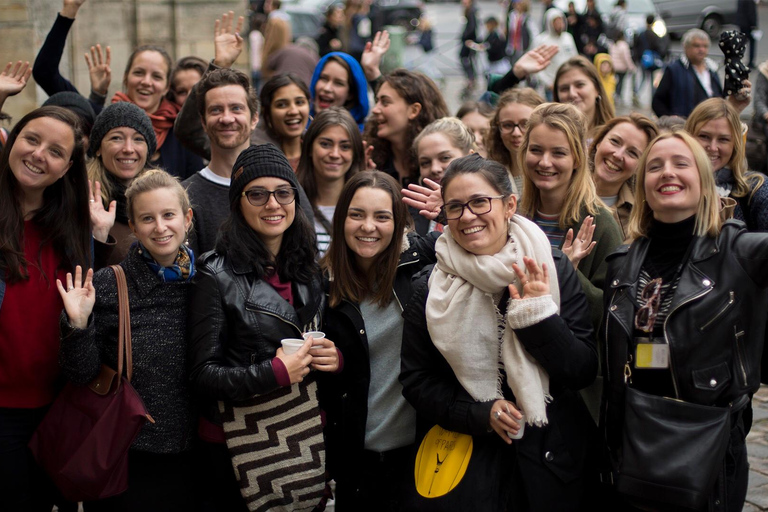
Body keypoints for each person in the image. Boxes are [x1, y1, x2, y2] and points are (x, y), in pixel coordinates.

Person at [399, 153, 598, 511]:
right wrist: (481, 413)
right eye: (455, 207)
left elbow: (581, 369)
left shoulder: (549, 267)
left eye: (479, 202)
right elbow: (417, 381)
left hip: (549, 464)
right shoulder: (429, 287)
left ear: (509, 205)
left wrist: (540, 317)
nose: (468, 216)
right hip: (467, 470)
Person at [601, 130, 768, 511]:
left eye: (681, 163)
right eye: (655, 166)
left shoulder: (739, 252)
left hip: (707, 442)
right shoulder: (622, 263)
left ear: (705, 180)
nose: (667, 173)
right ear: (642, 183)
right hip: (636, 438)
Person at [188, 144, 338, 511]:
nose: (272, 204)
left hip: (301, 436)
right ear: (238, 202)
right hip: (237, 446)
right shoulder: (216, 274)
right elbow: (202, 375)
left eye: (282, 192)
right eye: (257, 194)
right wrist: (274, 373)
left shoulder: (309, 269)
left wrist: (335, 358)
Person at [58, 170, 197, 511]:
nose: (160, 227)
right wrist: (77, 324)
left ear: (187, 218)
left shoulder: (207, 281)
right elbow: (81, 375)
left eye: (168, 215)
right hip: (126, 455)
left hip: (194, 456)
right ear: (133, 226)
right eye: (147, 219)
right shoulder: (107, 285)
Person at [321, 170, 437, 510]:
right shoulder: (323, 285)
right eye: (357, 215)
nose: (368, 227)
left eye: (381, 217)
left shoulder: (422, 262)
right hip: (357, 463)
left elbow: (498, 239)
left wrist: (452, 211)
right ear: (341, 219)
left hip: (420, 456)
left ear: (399, 223)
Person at [0, 106, 90, 512]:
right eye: (32, 139)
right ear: (12, 139)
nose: (38, 154)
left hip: (55, 409)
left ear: (67, 167)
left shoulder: (72, 228)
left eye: (55, 151)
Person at [32, 0, 204, 179]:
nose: (146, 82)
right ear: (125, 78)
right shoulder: (101, 120)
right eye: (139, 72)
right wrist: (69, 11)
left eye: (156, 76)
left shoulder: (181, 134)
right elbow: (44, 72)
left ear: (166, 87)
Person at [518, 102, 622, 332]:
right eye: (536, 150)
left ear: (577, 159)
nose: (545, 162)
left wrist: (567, 273)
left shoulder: (600, 224)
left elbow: (612, 311)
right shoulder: (513, 215)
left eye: (558, 153)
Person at [183, 68, 259, 256]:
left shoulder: (281, 187)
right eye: (216, 110)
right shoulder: (185, 196)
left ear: (254, 118)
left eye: (236, 108)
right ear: (203, 121)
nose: (226, 118)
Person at [87, 102, 158, 268]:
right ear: (98, 148)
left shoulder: (162, 196)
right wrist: (99, 236)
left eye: (138, 139)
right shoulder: (79, 200)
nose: (128, 149)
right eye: (116, 138)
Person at [686, 98, 768, 231]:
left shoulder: (757, 189)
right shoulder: (673, 187)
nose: (713, 148)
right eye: (704, 136)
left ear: (735, 145)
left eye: (723, 139)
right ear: (688, 137)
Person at [297, 107, 366, 256]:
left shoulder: (368, 207)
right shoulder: (290, 204)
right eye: (325, 144)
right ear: (309, 148)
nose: (335, 154)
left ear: (355, 153)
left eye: (345, 147)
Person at [365, 69, 449, 186]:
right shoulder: (370, 159)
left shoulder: (439, 167)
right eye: (377, 102)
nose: (375, 110)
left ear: (414, 110)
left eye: (385, 102)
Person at [588, 113, 658, 242]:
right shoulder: (563, 188)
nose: (618, 155)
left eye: (632, 153)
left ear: (640, 167)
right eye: (614, 141)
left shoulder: (640, 218)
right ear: (598, 142)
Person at [411, 117, 478, 234]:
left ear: (469, 156)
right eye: (425, 163)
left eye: (445, 158)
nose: (434, 169)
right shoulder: (412, 213)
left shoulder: (490, 202)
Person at [652, 29, 724, 118]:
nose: (701, 50)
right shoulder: (674, 69)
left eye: (705, 46)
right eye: (696, 46)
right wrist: (670, 121)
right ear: (686, 47)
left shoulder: (712, 69)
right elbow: (658, 101)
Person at [485, 87, 545, 194]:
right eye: (507, 125)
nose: (516, 133)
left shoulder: (551, 174)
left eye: (525, 124)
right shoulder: (489, 176)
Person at [258, 74, 312, 169]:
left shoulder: (318, 154)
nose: (294, 111)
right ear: (267, 113)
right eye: (282, 105)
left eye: (299, 102)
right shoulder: (257, 157)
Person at [553, 55, 615, 136]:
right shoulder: (550, 136)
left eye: (579, 85)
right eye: (564, 88)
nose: (572, 94)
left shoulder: (614, 135)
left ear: (597, 88)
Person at [310, 52, 370, 131]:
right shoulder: (298, 126)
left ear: (351, 94)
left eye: (338, 83)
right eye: (324, 78)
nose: (327, 88)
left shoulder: (359, 138)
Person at [532, 8, 578, 101]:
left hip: (569, 83)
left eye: (561, 21)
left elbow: (575, 58)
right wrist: (548, 83)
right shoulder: (542, 40)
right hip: (552, 86)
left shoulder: (568, 38)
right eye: (556, 22)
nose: (559, 24)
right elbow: (537, 65)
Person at [631, 14, 668, 107]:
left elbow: (636, 46)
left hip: (643, 60)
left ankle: (636, 93)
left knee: (643, 77)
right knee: (652, 79)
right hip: (651, 60)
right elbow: (659, 47)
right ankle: (653, 97)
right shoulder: (654, 35)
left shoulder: (641, 33)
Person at [506, 0, 538, 66]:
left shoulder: (527, 18)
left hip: (523, 47)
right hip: (513, 47)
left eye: (519, 4)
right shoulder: (512, 16)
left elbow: (534, 33)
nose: (517, 6)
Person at [608, 32, 635, 104]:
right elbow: (627, 58)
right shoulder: (624, 45)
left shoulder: (613, 44)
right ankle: (618, 96)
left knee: (615, 81)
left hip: (614, 66)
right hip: (622, 67)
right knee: (621, 82)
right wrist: (631, 67)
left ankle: (614, 94)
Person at [459, 0, 479, 97]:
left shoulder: (472, 11)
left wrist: (467, 37)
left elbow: (472, 27)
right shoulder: (470, 10)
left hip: (469, 41)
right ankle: (471, 79)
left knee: (466, 59)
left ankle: (471, 79)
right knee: (466, 59)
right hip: (468, 40)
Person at [738, 0, 758, 70]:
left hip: (742, 24)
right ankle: (751, 62)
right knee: (752, 43)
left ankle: (738, 59)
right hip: (748, 25)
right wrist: (754, 25)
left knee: (742, 43)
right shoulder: (750, 1)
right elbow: (751, 13)